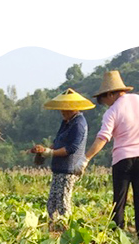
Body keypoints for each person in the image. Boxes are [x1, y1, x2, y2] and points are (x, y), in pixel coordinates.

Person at [82, 69, 139, 239]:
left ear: (110, 94)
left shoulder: (112, 111)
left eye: (103, 98)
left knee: (119, 201)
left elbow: (103, 138)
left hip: (122, 159)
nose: (104, 102)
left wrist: (86, 158)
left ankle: (116, 238)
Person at [30, 88, 94, 225]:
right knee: (51, 205)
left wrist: (50, 152)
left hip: (68, 169)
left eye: (65, 109)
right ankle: (54, 229)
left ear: (74, 108)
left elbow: (71, 148)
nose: (62, 112)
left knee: (63, 204)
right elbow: (57, 142)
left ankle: (66, 231)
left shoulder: (78, 124)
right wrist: (44, 150)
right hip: (58, 169)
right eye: (62, 109)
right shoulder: (66, 122)